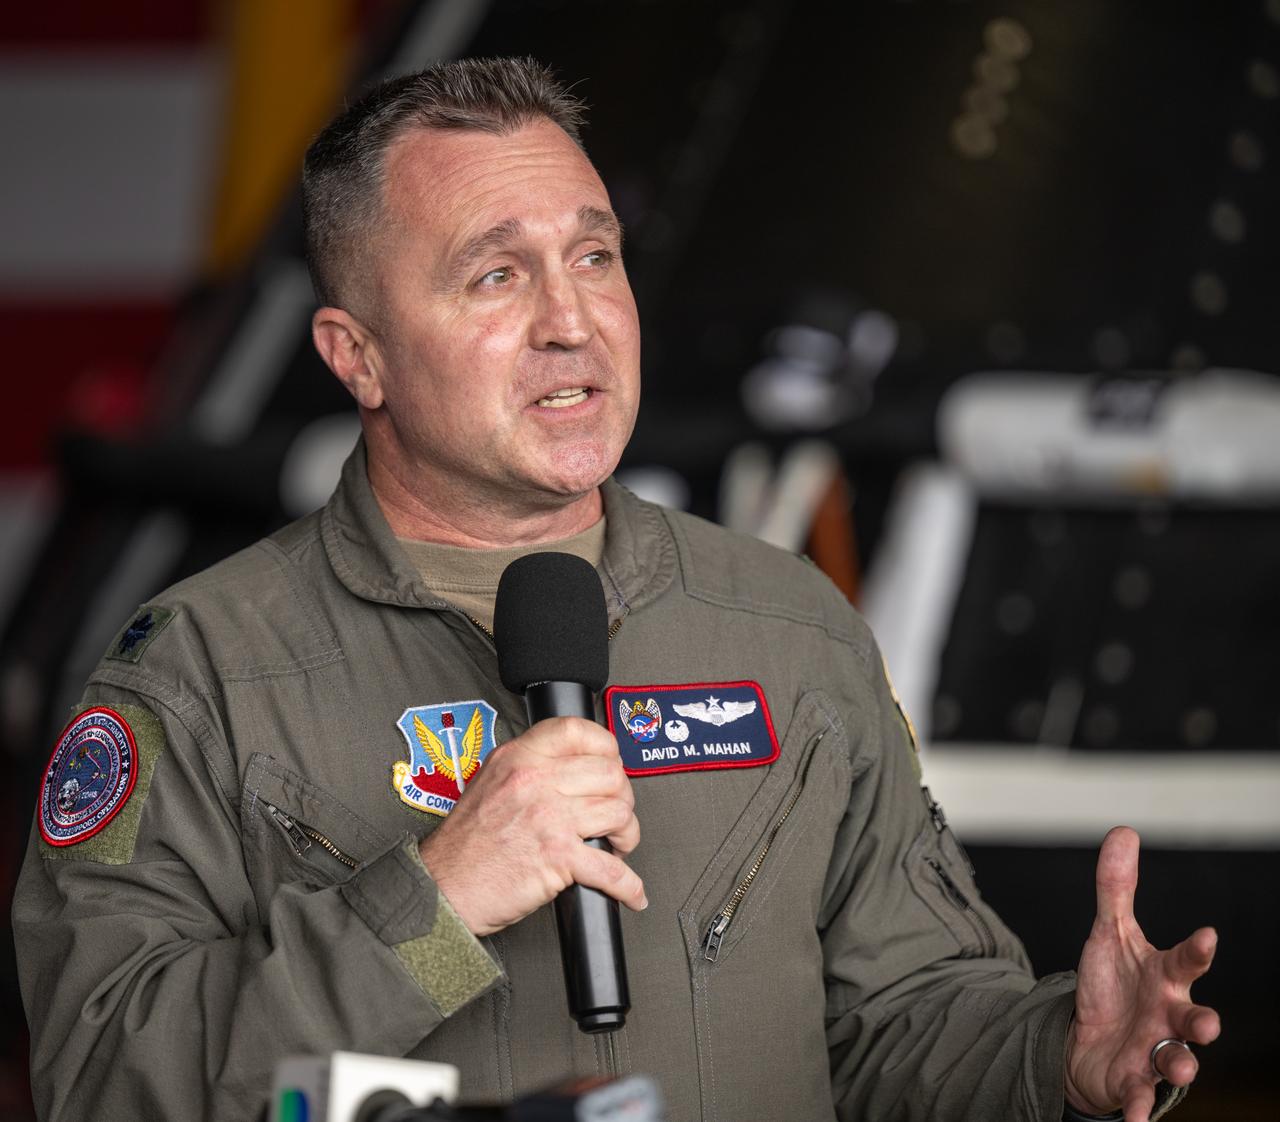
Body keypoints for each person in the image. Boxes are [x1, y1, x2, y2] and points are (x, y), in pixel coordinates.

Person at [13, 57, 1218, 1122]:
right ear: (355, 354)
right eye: (494, 276)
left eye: (593, 256)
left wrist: (1054, 1057)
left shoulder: (785, 628)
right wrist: (428, 908)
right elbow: (103, 1083)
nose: (571, 322)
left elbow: (897, 1022)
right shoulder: (202, 672)